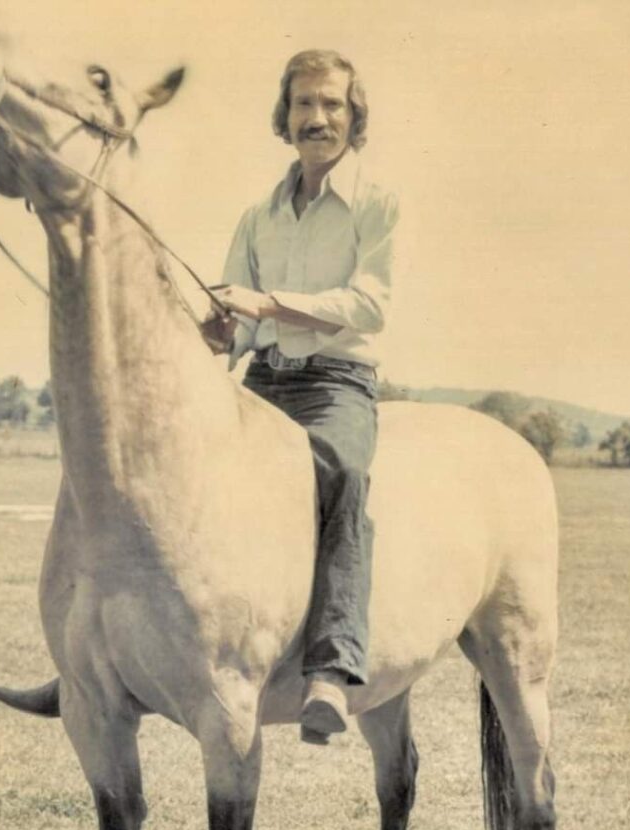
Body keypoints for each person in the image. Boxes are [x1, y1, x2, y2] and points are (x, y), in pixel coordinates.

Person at [202, 49, 399, 745]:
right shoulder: (258, 215)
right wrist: (221, 328)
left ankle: (331, 672)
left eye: (332, 104)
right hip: (263, 380)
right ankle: (110, 666)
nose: (318, 118)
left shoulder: (375, 203)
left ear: (354, 116)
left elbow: (369, 305)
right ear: (284, 117)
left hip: (336, 384)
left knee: (342, 472)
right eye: (304, 104)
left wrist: (267, 303)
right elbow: (240, 321)